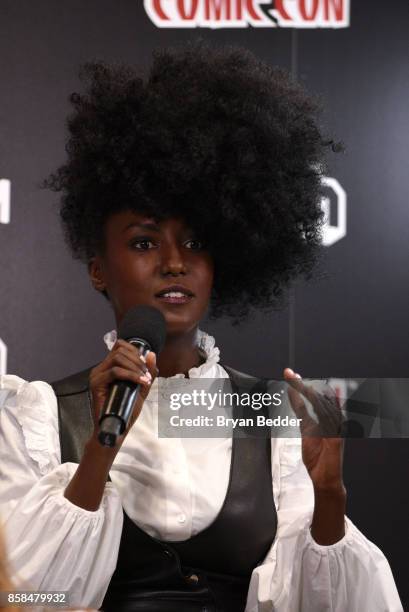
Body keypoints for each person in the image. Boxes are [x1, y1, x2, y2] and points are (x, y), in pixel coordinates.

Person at [0, 40, 403, 611]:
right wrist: (98, 453)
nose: (174, 262)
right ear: (98, 270)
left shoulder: (267, 412)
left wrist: (330, 493)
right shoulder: (40, 415)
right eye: (144, 242)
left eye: (196, 243)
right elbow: (27, 597)